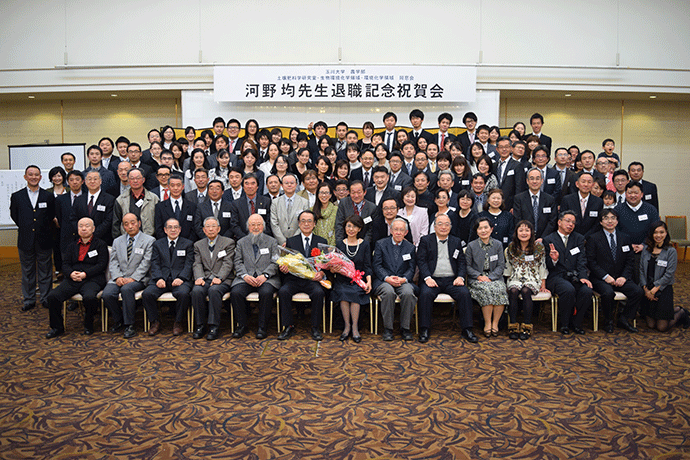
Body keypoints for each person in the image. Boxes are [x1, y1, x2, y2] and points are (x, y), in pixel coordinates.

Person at [417, 215, 478, 343]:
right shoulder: (426, 240)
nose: (443, 227)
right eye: (440, 224)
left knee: (464, 293)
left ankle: (467, 329)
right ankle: (424, 329)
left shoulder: (456, 241)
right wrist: (427, 278)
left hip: (452, 280)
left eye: (446, 224)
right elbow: (421, 261)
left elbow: (462, 262)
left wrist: (461, 277)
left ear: (450, 227)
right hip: (432, 279)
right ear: (434, 227)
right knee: (425, 294)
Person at [45, 218, 108, 338]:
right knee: (53, 297)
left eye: (87, 226)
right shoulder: (72, 245)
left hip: (92, 278)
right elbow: (65, 264)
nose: (84, 228)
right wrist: (70, 273)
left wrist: (85, 274)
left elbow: (101, 265)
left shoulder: (100, 244)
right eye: (81, 226)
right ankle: (57, 327)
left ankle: (89, 323)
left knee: (89, 297)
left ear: (93, 228)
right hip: (73, 278)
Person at [586, 209, 643, 333]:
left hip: (621, 277)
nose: (610, 221)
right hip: (600, 278)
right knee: (608, 293)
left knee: (637, 291)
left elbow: (630, 261)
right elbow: (591, 262)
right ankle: (608, 321)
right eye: (606, 218)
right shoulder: (594, 238)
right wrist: (605, 276)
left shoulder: (625, 238)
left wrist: (624, 277)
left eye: (613, 218)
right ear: (601, 222)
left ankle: (624, 319)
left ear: (617, 221)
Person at [275, 210, 327, 341]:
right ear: (298, 224)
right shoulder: (291, 241)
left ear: (314, 224)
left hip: (312, 280)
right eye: (303, 221)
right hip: (294, 279)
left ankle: (315, 327)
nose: (306, 224)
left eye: (309, 221)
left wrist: (322, 272)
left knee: (318, 293)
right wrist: (284, 268)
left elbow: (326, 264)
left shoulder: (321, 241)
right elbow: (285, 262)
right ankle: (288, 326)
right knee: (283, 291)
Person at [102, 213, 156, 338]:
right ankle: (119, 319)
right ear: (123, 226)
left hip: (139, 278)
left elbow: (146, 263)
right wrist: (117, 277)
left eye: (133, 223)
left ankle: (130, 325)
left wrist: (133, 278)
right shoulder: (117, 241)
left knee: (127, 290)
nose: (130, 226)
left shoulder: (149, 240)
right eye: (126, 224)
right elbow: (113, 261)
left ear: (139, 223)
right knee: (107, 294)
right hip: (119, 277)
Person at [11, 165, 56, 312]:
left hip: (44, 239)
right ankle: (29, 300)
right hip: (25, 240)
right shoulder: (17, 196)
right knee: (27, 272)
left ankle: (45, 298)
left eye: (37, 175)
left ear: (40, 177)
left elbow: (50, 216)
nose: (34, 177)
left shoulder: (48, 196)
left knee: (46, 271)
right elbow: (15, 216)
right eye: (30, 174)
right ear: (25, 177)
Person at [230, 214, 281, 340]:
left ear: (263, 226)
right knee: (236, 292)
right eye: (253, 224)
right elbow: (237, 262)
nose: (256, 227)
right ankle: (241, 325)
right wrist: (245, 275)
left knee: (266, 292)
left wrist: (266, 275)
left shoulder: (272, 242)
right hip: (246, 277)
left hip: (266, 278)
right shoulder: (241, 242)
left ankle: (262, 327)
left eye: (259, 224)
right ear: (248, 227)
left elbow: (276, 262)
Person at [141, 217, 194, 337]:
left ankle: (178, 322)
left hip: (181, 279)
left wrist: (181, 278)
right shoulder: (157, 244)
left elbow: (189, 264)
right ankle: (155, 322)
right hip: (161, 279)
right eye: (170, 227)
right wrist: (159, 278)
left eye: (176, 227)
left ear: (180, 229)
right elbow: (154, 263)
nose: (173, 230)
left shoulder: (188, 244)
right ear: (165, 230)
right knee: (147, 294)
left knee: (183, 294)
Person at [543, 211, 593, 334]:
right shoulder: (549, 239)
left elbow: (582, 260)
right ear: (559, 222)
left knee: (587, 290)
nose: (570, 224)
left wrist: (583, 277)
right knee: (568, 290)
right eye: (568, 221)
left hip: (575, 275)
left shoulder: (579, 238)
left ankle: (576, 324)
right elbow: (546, 265)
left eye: (573, 223)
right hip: (556, 276)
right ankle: (564, 324)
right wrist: (554, 260)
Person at [373, 218, 418, 341]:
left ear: (406, 232)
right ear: (391, 230)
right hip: (384, 280)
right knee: (388, 292)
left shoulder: (410, 247)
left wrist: (404, 279)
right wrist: (387, 278)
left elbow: (411, 268)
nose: (398, 232)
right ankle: (388, 329)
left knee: (408, 292)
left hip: (402, 280)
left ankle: (405, 328)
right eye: (396, 229)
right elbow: (377, 265)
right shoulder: (381, 244)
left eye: (401, 230)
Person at [191, 216, 235, 341]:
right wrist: (199, 277)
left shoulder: (228, 242)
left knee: (214, 290)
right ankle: (200, 325)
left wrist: (220, 277)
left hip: (223, 279)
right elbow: (197, 263)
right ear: (204, 230)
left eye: (213, 226)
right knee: (196, 291)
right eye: (208, 227)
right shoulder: (198, 245)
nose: (211, 229)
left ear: (219, 228)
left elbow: (228, 263)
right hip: (205, 278)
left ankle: (213, 326)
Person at [504, 221, 549, 340]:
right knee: (513, 291)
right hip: (515, 277)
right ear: (516, 232)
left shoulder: (538, 247)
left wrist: (543, 284)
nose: (524, 233)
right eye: (521, 230)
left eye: (527, 230)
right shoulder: (511, 247)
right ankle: (513, 325)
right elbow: (508, 266)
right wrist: (507, 282)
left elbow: (542, 265)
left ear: (531, 233)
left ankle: (527, 326)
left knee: (525, 291)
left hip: (532, 278)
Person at [330, 216, 372, 343]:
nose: (351, 229)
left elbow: (367, 266)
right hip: (342, 280)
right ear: (345, 228)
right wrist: (333, 269)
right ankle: (346, 327)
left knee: (354, 293)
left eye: (354, 226)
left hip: (358, 280)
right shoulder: (339, 244)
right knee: (343, 293)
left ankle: (355, 328)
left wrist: (369, 281)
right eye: (348, 226)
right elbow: (332, 268)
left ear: (359, 229)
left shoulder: (364, 244)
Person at [640, 221, 688, 331]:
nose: (658, 235)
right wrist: (646, 289)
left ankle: (681, 312)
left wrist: (654, 290)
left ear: (666, 233)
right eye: (655, 232)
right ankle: (673, 310)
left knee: (661, 327)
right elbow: (641, 271)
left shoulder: (671, 251)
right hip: (648, 288)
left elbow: (669, 274)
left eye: (661, 232)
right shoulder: (646, 250)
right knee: (651, 325)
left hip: (663, 289)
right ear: (651, 234)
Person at [465, 217, 509, 337]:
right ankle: (487, 323)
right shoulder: (471, 246)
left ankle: (495, 323)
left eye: (486, 227)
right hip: (477, 279)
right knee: (486, 290)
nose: (483, 230)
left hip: (494, 277)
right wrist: (479, 276)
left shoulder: (498, 244)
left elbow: (501, 265)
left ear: (491, 229)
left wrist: (491, 277)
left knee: (500, 289)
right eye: (480, 228)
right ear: (477, 231)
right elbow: (467, 267)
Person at [112, 168, 159, 239]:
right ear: (128, 180)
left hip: (149, 239)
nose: (135, 181)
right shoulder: (120, 199)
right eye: (132, 178)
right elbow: (116, 223)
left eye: (138, 178)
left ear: (143, 180)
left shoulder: (154, 198)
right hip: (127, 239)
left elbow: (158, 222)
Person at [72, 170, 116, 246]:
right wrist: (84, 233)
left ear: (100, 181)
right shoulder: (79, 199)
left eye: (95, 179)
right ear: (85, 182)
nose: (92, 181)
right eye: (89, 179)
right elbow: (73, 218)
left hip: (102, 240)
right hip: (82, 240)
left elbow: (108, 220)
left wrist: (92, 234)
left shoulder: (109, 199)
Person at [513, 167, 558, 241]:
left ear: (542, 181)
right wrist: (526, 235)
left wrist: (543, 238)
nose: (534, 181)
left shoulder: (550, 199)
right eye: (531, 178)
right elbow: (518, 219)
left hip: (545, 239)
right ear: (527, 181)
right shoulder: (519, 198)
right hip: (524, 238)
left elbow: (552, 221)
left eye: (537, 178)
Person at [154, 173, 198, 241]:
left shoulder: (192, 206)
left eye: (178, 185)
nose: (175, 188)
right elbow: (158, 229)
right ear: (168, 187)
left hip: (187, 245)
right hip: (166, 245)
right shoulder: (160, 206)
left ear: (183, 187)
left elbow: (194, 228)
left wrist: (186, 243)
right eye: (172, 185)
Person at [229, 173, 272, 240]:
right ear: (243, 186)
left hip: (263, 239)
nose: (250, 186)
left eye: (253, 183)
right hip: (243, 240)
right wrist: (246, 239)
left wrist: (261, 237)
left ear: (257, 186)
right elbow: (234, 225)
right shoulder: (236, 203)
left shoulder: (266, 201)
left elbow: (269, 223)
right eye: (246, 183)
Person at [560, 172, 603, 237]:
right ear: (577, 184)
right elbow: (563, 220)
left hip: (591, 238)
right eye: (583, 182)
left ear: (593, 184)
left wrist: (586, 237)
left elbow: (597, 223)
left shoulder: (598, 201)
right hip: (570, 237)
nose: (586, 184)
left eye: (589, 182)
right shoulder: (567, 199)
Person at [270, 174, 309, 245]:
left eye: (292, 183)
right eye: (286, 183)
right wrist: (283, 241)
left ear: (296, 184)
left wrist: (292, 241)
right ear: (281, 185)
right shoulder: (275, 202)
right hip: (280, 243)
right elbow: (274, 224)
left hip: (297, 242)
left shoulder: (304, 202)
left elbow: (304, 223)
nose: (289, 185)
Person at [494, 136, 527, 210]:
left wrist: (515, 206)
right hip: (494, 204)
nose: (504, 149)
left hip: (510, 206)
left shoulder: (517, 165)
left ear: (511, 148)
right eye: (501, 147)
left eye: (506, 147)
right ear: (497, 149)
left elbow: (520, 188)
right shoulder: (494, 165)